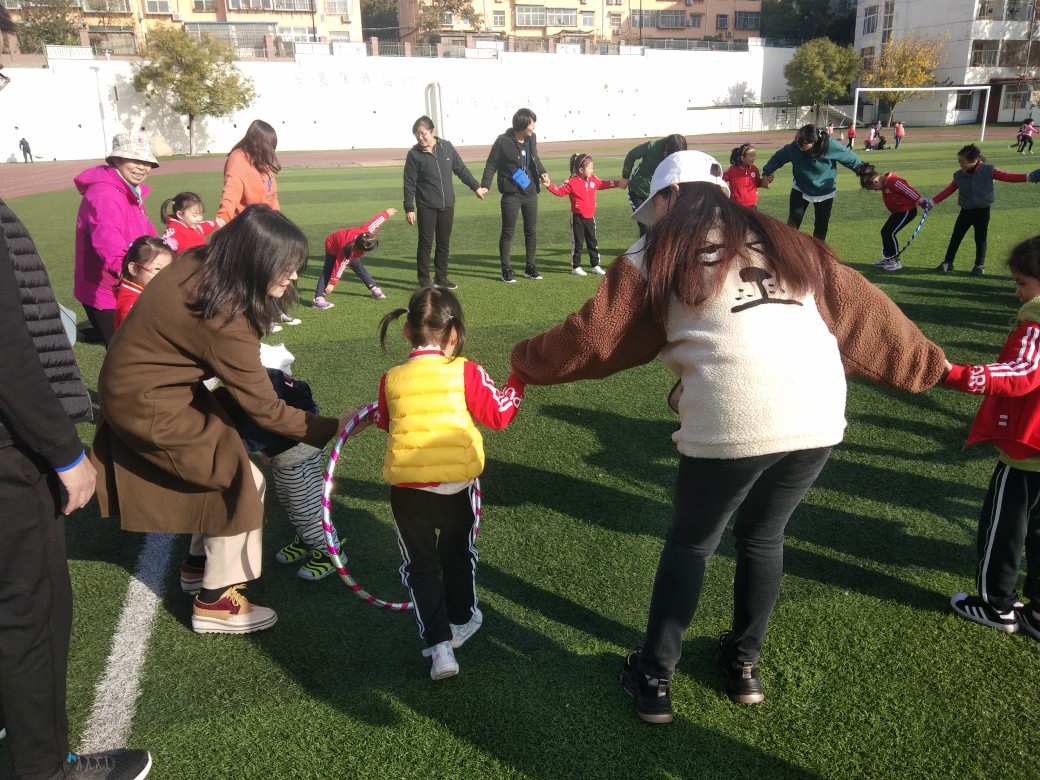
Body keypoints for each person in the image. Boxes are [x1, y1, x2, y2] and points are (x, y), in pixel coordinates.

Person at [509, 150, 948, 724]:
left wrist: (526, 363)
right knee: (764, 537)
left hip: (735, 411)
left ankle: (654, 675)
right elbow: (865, 311)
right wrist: (934, 368)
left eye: (654, 205)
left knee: (692, 543)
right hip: (819, 407)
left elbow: (595, 337)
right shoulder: (788, 239)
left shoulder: (658, 250)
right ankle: (743, 665)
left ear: (671, 197)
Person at [89, 205, 351, 634]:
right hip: (149, 405)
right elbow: (265, 410)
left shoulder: (199, 262)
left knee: (219, 463)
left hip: (146, 390)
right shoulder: (226, 316)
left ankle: (197, 566)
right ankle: (215, 602)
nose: (292, 277)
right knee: (242, 481)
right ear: (256, 259)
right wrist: (335, 427)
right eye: (284, 267)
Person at [0, 195, 152, 779]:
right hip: (10, 449)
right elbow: (7, 346)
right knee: (31, 609)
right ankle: (45, 768)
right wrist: (63, 451)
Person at [374, 286, 524, 679]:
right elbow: (499, 415)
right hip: (457, 489)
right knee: (457, 554)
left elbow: (386, 422)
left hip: (408, 492)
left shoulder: (391, 378)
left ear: (407, 331)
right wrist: (519, 381)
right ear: (454, 334)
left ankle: (440, 648)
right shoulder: (466, 370)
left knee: (420, 567)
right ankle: (462, 618)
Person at [943, 235, 1040, 641]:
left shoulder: (1035, 326)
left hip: (1027, 452)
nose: (1017, 292)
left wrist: (957, 374)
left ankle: (996, 605)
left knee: (1004, 527)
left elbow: (1021, 373)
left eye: (1021, 283)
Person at [73, 132, 159, 347]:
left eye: (147, 162)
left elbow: (145, 228)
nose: (142, 167)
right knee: (121, 350)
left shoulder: (130, 189)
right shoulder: (105, 193)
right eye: (135, 160)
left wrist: (164, 251)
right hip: (105, 288)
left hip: (125, 281)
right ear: (117, 160)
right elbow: (107, 238)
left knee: (132, 339)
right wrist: (125, 269)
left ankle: (98, 332)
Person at [403, 115, 488, 289]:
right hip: (426, 205)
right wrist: (409, 208)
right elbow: (409, 182)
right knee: (425, 243)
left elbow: (461, 169)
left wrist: (476, 187)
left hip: (447, 204)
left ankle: (441, 277)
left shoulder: (447, 147)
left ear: (432, 131)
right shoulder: (414, 155)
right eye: (416, 134)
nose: (420, 137)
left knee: (443, 242)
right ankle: (424, 282)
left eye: (423, 133)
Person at [931, 144, 1034, 276]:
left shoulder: (989, 170)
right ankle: (947, 262)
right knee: (956, 237)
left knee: (980, 238)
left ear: (974, 161)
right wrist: (932, 202)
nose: (960, 164)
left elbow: (1008, 177)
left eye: (962, 161)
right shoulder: (958, 175)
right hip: (965, 211)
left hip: (982, 212)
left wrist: (1029, 177)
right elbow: (948, 190)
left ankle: (979, 265)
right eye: (959, 161)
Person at [480, 108, 551, 283]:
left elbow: (535, 158)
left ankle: (530, 267)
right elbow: (491, 164)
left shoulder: (532, 138)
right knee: (508, 232)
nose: (534, 126)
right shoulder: (503, 141)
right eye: (531, 123)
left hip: (530, 192)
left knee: (531, 231)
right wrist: (485, 185)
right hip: (511, 193)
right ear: (522, 123)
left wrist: (542, 172)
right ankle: (506, 270)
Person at [761, 124, 865, 242]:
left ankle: (818, 249)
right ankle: (788, 246)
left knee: (821, 225)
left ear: (813, 142)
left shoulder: (829, 145)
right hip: (801, 186)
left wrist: (866, 172)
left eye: (803, 144)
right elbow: (778, 158)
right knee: (793, 222)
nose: (799, 146)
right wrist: (766, 173)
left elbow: (850, 158)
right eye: (798, 141)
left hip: (824, 190)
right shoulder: (794, 147)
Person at [546, 153, 622, 276]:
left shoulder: (593, 180)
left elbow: (604, 183)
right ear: (581, 170)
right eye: (590, 168)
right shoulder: (572, 182)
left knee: (592, 242)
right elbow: (560, 191)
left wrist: (619, 183)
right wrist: (549, 185)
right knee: (578, 243)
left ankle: (595, 265)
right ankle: (576, 267)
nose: (592, 170)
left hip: (590, 217)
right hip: (577, 218)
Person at [314, 208, 397, 306]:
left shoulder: (366, 233)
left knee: (358, 266)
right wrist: (332, 283)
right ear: (362, 250)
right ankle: (319, 299)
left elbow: (374, 223)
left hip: (347, 244)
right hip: (332, 245)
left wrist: (386, 214)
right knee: (328, 270)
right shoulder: (347, 252)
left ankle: (375, 290)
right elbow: (340, 266)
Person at [857, 163, 929, 272]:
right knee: (885, 232)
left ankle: (895, 261)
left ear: (875, 181)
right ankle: (889, 259)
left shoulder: (893, 181)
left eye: (873, 188)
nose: (876, 190)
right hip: (898, 212)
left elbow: (908, 190)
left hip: (907, 211)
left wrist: (921, 201)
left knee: (889, 232)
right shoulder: (885, 183)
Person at [620, 134, 688, 237]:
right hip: (639, 191)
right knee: (645, 224)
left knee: (662, 223)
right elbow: (631, 155)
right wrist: (625, 176)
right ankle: (645, 245)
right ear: (667, 146)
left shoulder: (676, 157)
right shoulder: (651, 147)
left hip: (657, 193)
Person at [216, 119, 281, 223]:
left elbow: (272, 197)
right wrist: (224, 215)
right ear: (259, 144)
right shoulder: (238, 159)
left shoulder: (261, 159)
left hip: (266, 223)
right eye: (270, 146)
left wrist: (277, 219)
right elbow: (231, 190)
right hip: (248, 224)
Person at [114, 236, 172, 329]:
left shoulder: (145, 291)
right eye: (157, 269)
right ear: (134, 268)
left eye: (168, 269)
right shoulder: (133, 308)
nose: (164, 275)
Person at [722, 143, 766, 209]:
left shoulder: (754, 169)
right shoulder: (732, 170)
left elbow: (757, 183)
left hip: (752, 205)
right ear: (742, 158)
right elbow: (720, 179)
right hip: (736, 205)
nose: (754, 158)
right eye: (751, 156)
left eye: (754, 156)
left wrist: (767, 180)